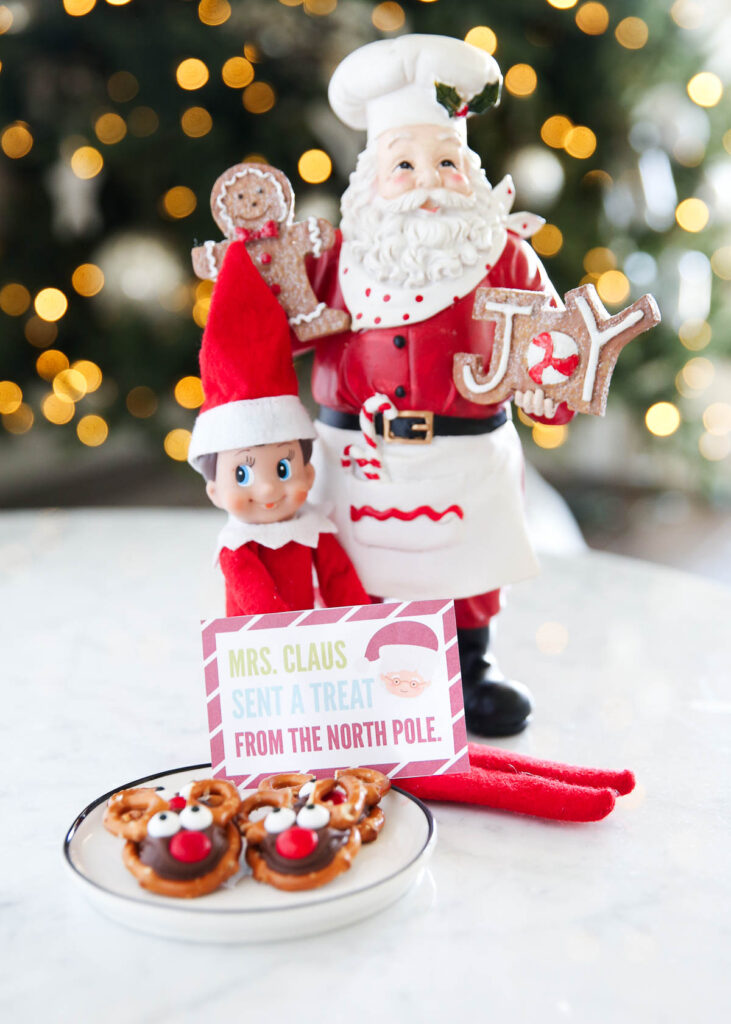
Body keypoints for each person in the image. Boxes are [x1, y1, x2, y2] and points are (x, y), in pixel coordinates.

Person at [298, 34, 573, 736]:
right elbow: (287, 319)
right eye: (404, 163)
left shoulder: (502, 252)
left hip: (464, 453)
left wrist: (552, 378)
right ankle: (367, 671)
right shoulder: (336, 256)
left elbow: (553, 336)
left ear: (470, 171)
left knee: (467, 569)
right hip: (359, 453)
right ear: (371, 177)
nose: (426, 179)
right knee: (362, 563)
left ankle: (468, 667)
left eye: (445, 161)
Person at [188, 240, 370, 616]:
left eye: (284, 468)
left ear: (309, 473)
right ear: (214, 491)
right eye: (241, 473)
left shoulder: (312, 529)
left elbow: (339, 578)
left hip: (305, 648)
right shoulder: (240, 547)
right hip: (258, 655)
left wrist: (361, 625)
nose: (268, 488)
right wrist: (287, 637)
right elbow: (258, 601)